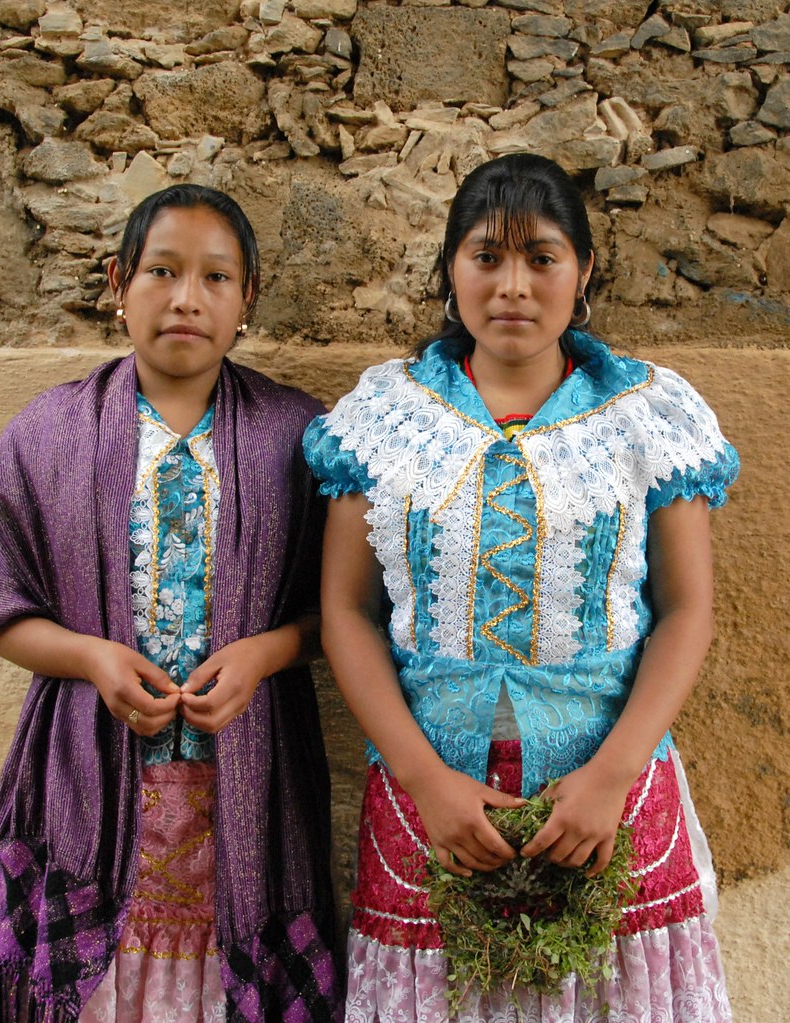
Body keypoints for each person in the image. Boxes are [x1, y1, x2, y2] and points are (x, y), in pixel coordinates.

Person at [303, 153, 738, 1022]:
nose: (513, 286)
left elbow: (687, 609)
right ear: (450, 270)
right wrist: (427, 780)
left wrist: (611, 776)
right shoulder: (383, 419)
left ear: (583, 274)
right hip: (433, 797)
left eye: (541, 258)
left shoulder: (647, 416)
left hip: (609, 788)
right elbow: (347, 612)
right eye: (486, 257)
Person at [0, 184, 342, 1023]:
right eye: (162, 271)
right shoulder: (48, 434)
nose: (186, 298)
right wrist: (89, 656)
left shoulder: (297, 436)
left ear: (247, 298)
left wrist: (265, 652)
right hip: (88, 782)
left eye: (216, 277)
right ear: (118, 283)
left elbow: (346, 610)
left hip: (249, 788)